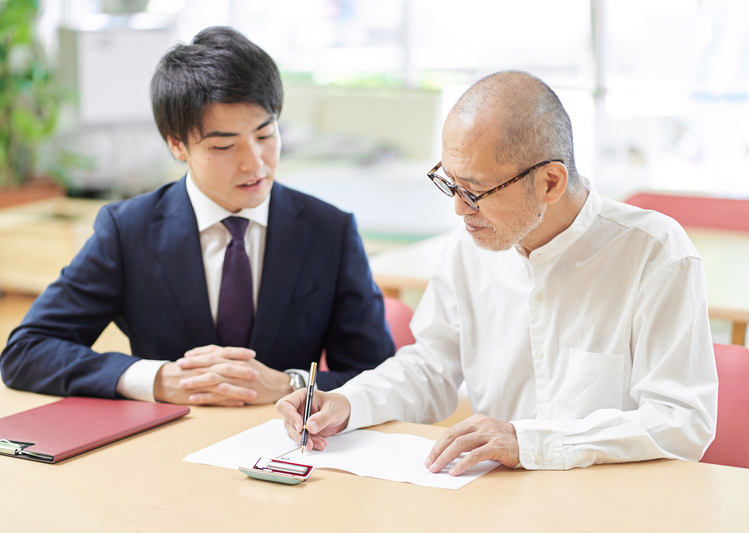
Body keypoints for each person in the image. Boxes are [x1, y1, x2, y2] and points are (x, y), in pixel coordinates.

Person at [277, 70, 718, 472]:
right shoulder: (470, 248)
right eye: (449, 182)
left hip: (610, 503)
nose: (457, 208)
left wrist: (528, 441)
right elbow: (430, 367)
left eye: (474, 191)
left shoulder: (653, 252)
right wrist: (348, 403)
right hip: (493, 496)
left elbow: (681, 420)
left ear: (550, 182)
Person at [0, 26, 395, 406]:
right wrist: (157, 379)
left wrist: (290, 383)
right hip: (167, 445)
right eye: (224, 146)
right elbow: (26, 351)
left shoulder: (330, 230)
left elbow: (380, 375)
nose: (254, 163)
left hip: (290, 449)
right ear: (177, 145)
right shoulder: (128, 231)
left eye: (265, 135)